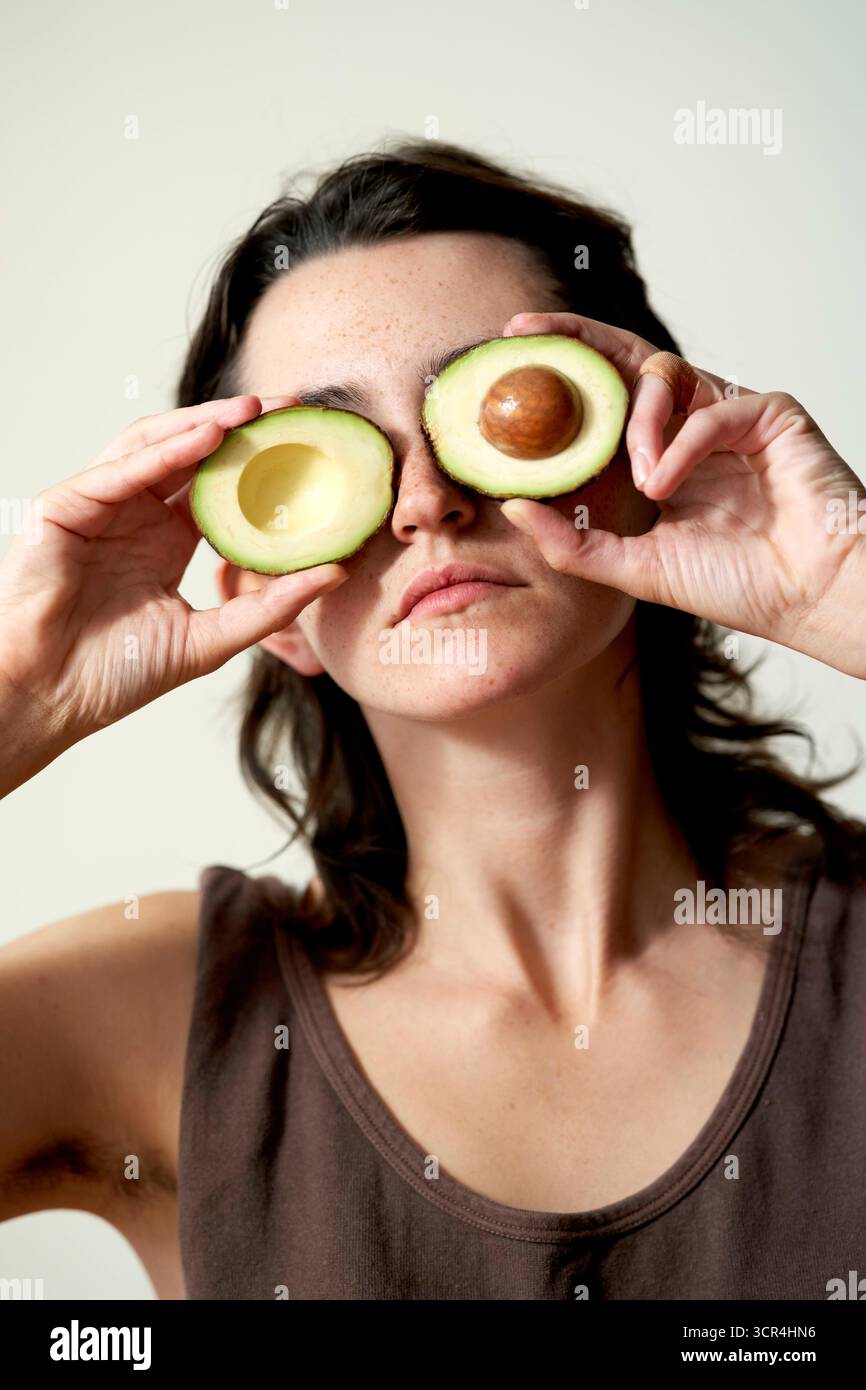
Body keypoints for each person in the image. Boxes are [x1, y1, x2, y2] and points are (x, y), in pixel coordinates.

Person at [1, 141, 865, 1301]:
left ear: (637, 461)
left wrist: (844, 584)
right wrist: (21, 697)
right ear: (275, 611)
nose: (424, 502)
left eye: (499, 412)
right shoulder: (159, 1010)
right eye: (333, 449)